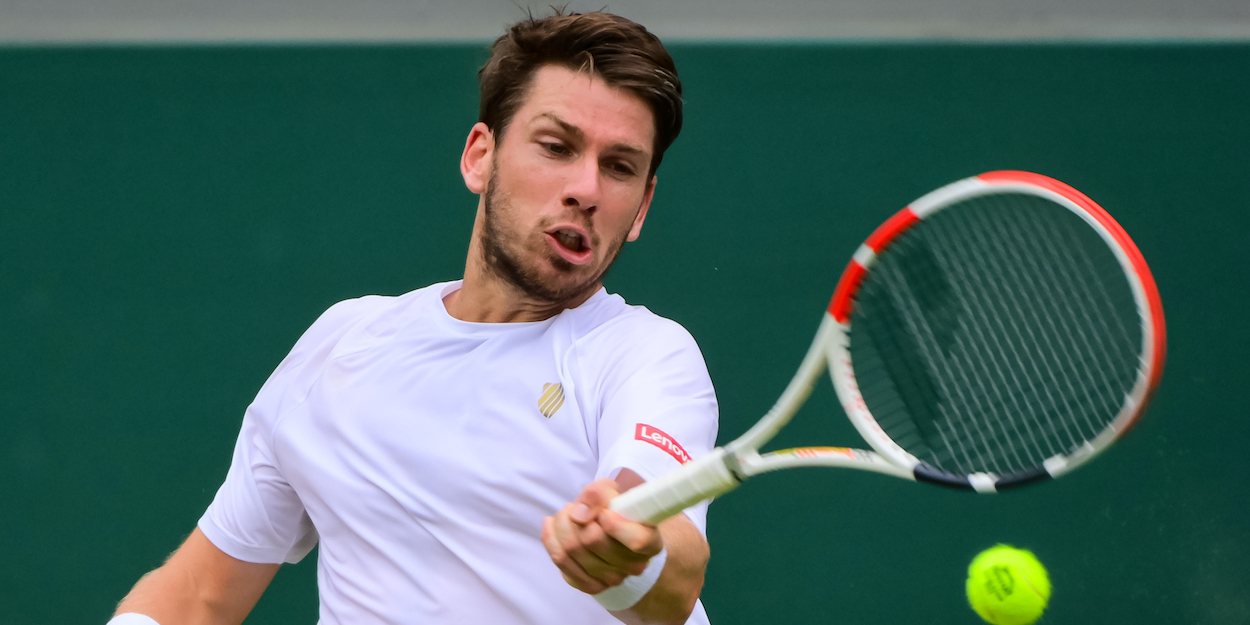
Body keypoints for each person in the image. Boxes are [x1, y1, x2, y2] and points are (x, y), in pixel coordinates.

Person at [109, 9, 718, 625]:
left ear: (641, 208)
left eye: (619, 168)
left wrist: (629, 549)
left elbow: (671, 557)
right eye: (556, 147)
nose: (586, 188)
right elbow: (198, 596)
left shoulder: (646, 356)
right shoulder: (342, 346)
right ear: (481, 157)